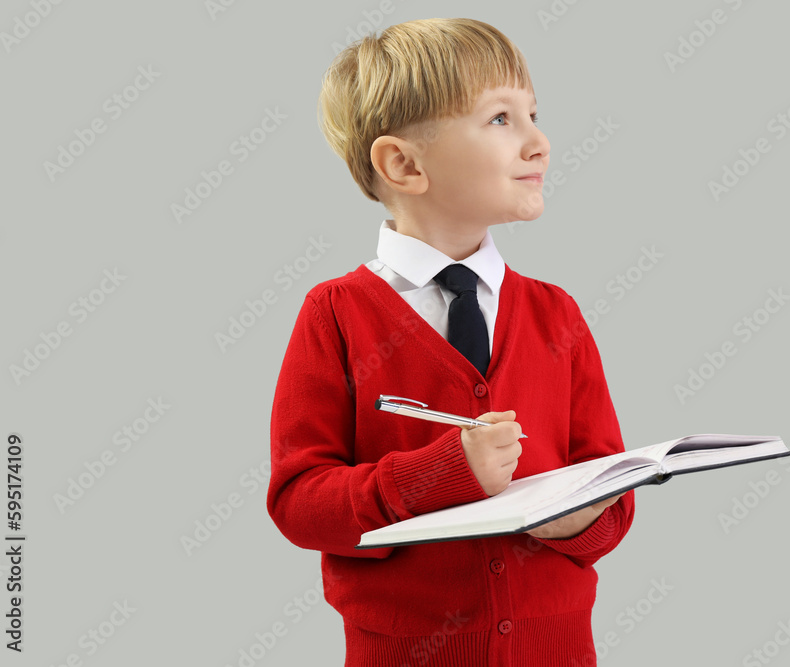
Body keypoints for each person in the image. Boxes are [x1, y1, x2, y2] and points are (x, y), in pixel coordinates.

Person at [266, 17, 634, 666]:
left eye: (533, 114)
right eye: (500, 119)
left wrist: (575, 516)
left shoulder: (559, 314)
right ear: (403, 163)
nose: (539, 143)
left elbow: (615, 490)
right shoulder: (336, 313)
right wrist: (439, 474)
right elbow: (300, 501)